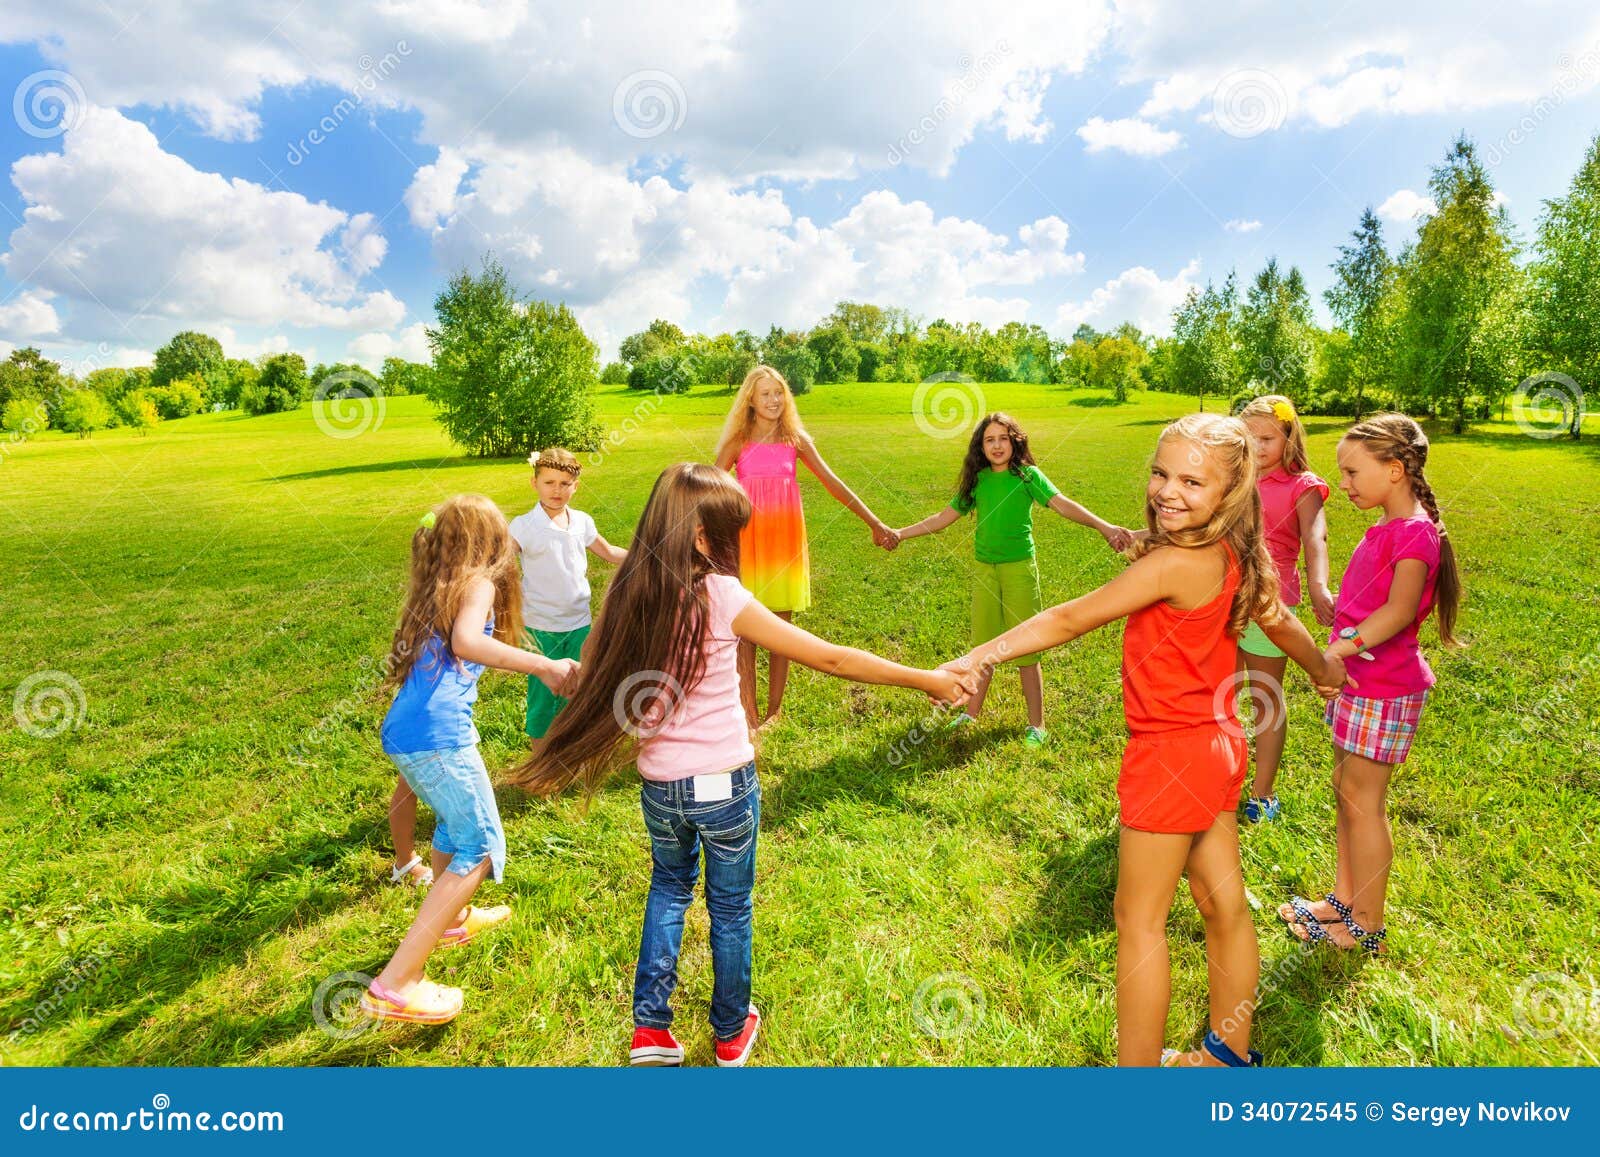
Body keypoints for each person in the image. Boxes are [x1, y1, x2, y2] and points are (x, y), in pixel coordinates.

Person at [510, 463, 967, 1066]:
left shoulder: (628, 592)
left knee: (668, 889)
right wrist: (925, 679)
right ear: (703, 536)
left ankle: (650, 1030)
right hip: (725, 786)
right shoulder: (721, 595)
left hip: (659, 787)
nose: (736, 546)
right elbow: (830, 659)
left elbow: (588, 671)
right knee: (730, 907)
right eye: (731, 533)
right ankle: (730, 1033)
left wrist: (551, 674)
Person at [942, 415, 1346, 1066]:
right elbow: (1285, 622)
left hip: (1169, 756)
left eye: (1192, 480)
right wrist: (1325, 671)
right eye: (1161, 472)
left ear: (1231, 493)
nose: (1167, 489)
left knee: (1138, 923)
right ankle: (1226, 1054)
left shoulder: (1177, 564)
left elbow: (1071, 616)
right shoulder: (1237, 557)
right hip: (1218, 748)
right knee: (1223, 906)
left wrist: (979, 657)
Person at [360, 497, 579, 1025]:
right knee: (479, 845)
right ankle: (395, 984)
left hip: (411, 732)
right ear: (489, 541)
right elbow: (466, 643)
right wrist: (545, 665)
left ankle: (453, 918)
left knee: (456, 830)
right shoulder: (478, 581)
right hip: (439, 737)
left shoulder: (445, 584)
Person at [1279, 413, 1461, 955]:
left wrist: (1337, 649)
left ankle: (1366, 924)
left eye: (1354, 472)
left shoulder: (1415, 534)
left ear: (1396, 469)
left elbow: (1401, 611)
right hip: (1360, 684)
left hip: (1386, 687)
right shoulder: (1388, 527)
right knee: (1347, 794)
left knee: (1365, 802)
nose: (1345, 483)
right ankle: (1343, 900)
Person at [891, 412, 1133, 748]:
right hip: (985, 572)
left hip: (1019, 570)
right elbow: (943, 517)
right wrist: (901, 534)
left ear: (1014, 441)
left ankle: (1037, 725)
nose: (997, 445)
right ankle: (970, 714)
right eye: (989, 439)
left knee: (1027, 649)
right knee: (982, 650)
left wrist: (1105, 527)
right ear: (981, 446)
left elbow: (1063, 504)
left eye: (1003, 438)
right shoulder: (977, 481)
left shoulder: (1027, 475)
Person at [715, 365, 895, 728]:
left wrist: (874, 522)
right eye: (765, 393)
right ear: (750, 398)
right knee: (744, 627)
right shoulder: (738, 441)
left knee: (781, 626)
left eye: (779, 392)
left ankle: (774, 711)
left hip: (784, 541)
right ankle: (746, 710)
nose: (774, 400)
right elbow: (709, 488)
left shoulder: (795, 439)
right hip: (745, 539)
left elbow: (833, 483)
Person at [1235, 395, 1333, 821]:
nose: (1257, 447)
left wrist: (1319, 586)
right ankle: (1217, 774)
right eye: (1248, 437)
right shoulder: (1232, 477)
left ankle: (1263, 793)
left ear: (1289, 437)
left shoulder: (1302, 486)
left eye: (1267, 438)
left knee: (1264, 696)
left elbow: (1316, 539)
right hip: (1220, 598)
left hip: (1269, 604)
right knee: (1214, 689)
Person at [509, 447, 628, 739]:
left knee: (577, 690)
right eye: (549, 482)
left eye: (565, 484)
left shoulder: (582, 522)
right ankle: (540, 765)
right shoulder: (524, 526)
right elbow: (498, 563)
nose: (557, 490)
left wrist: (649, 555)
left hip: (579, 624)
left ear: (575, 486)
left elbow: (610, 552)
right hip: (541, 626)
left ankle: (567, 752)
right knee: (544, 697)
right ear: (534, 483)